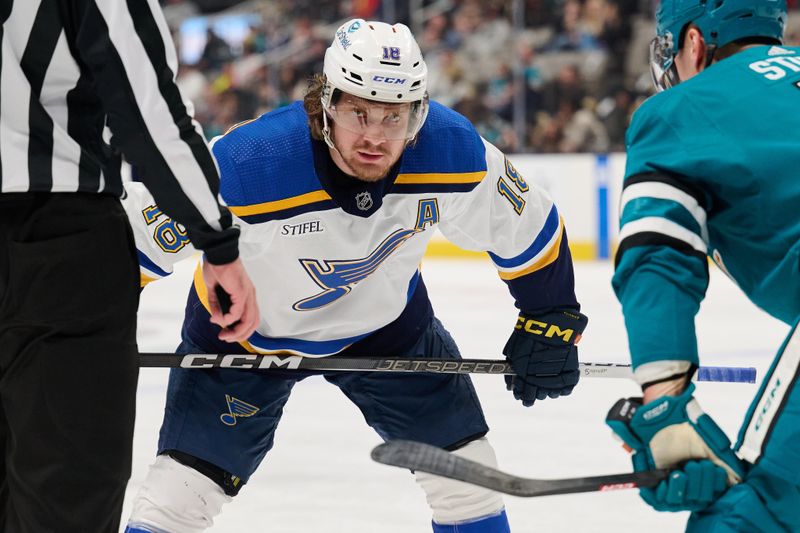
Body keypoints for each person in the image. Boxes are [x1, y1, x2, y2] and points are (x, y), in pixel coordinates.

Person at [122, 19, 587, 533]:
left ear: (417, 115)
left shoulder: (451, 150)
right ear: (325, 105)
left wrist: (550, 315)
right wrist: (77, 325)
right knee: (175, 501)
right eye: (357, 112)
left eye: (394, 118)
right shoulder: (249, 164)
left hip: (388, 331)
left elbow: (530, 227)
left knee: (470, 481)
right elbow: (127, 247)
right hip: (243, 337)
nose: (374, 136)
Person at [0, 2, 259, 532]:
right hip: (57, 240)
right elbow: (148, 112)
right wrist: (217, 242)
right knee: (63, 494)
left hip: (57, 239)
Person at [604, 1, 799, 531]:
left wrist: (665, 406)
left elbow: (657, 255)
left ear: (694, 43)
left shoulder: (684, 109)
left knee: (745, 515)